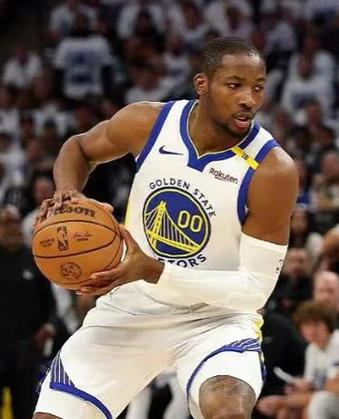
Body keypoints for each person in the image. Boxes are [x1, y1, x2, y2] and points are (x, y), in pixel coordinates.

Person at [32, 37, 298, 419]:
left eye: (258, 87)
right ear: (202, 84)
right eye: (234, 85)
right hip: (131, 306)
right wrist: (68, 194)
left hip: (216, 318)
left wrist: (155, 270)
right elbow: (79, 147)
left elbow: (253, 290)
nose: (249, 99)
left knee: (228, 410)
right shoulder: (148, 122)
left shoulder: (272, 170)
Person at [0, 206, 56, 419]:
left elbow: (50, 303)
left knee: (26, 410)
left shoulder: (33, 259)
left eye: (16, 222)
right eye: (7, 223)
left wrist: (49, 326)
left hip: (27, 348)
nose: (13, 228)